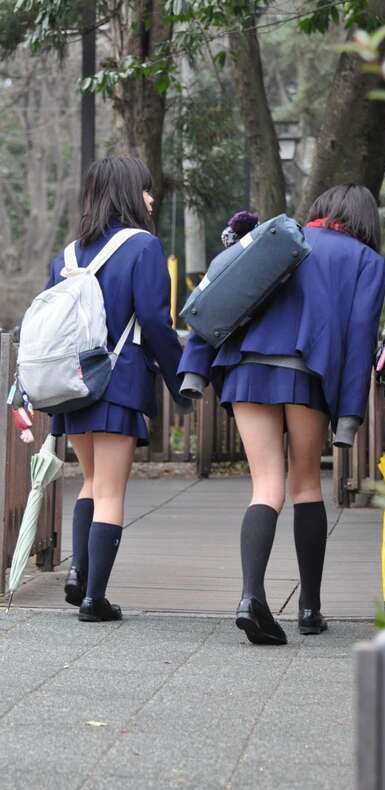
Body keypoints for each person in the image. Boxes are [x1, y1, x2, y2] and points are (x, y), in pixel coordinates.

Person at [178, 185, 385, 645]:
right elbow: (359, 340)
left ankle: (250, 598)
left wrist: (195, 367)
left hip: (246, 368)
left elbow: (225, 289)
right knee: (305, 485)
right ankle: (309, 609)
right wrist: (349, 416)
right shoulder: (366, 261)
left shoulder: (281, 234)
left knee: (265, 486)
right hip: (306, 372)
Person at [48, 155, 191, 622]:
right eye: (145, 189)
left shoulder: (67, 256)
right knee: (110, 490)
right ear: (127, 193)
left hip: (72, 384)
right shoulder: (143, 247)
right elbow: (155, 321)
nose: (151, 198)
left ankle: (79, 574)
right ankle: (94, 599)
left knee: (91, 482)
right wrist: (181, 380)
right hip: (118, 379)